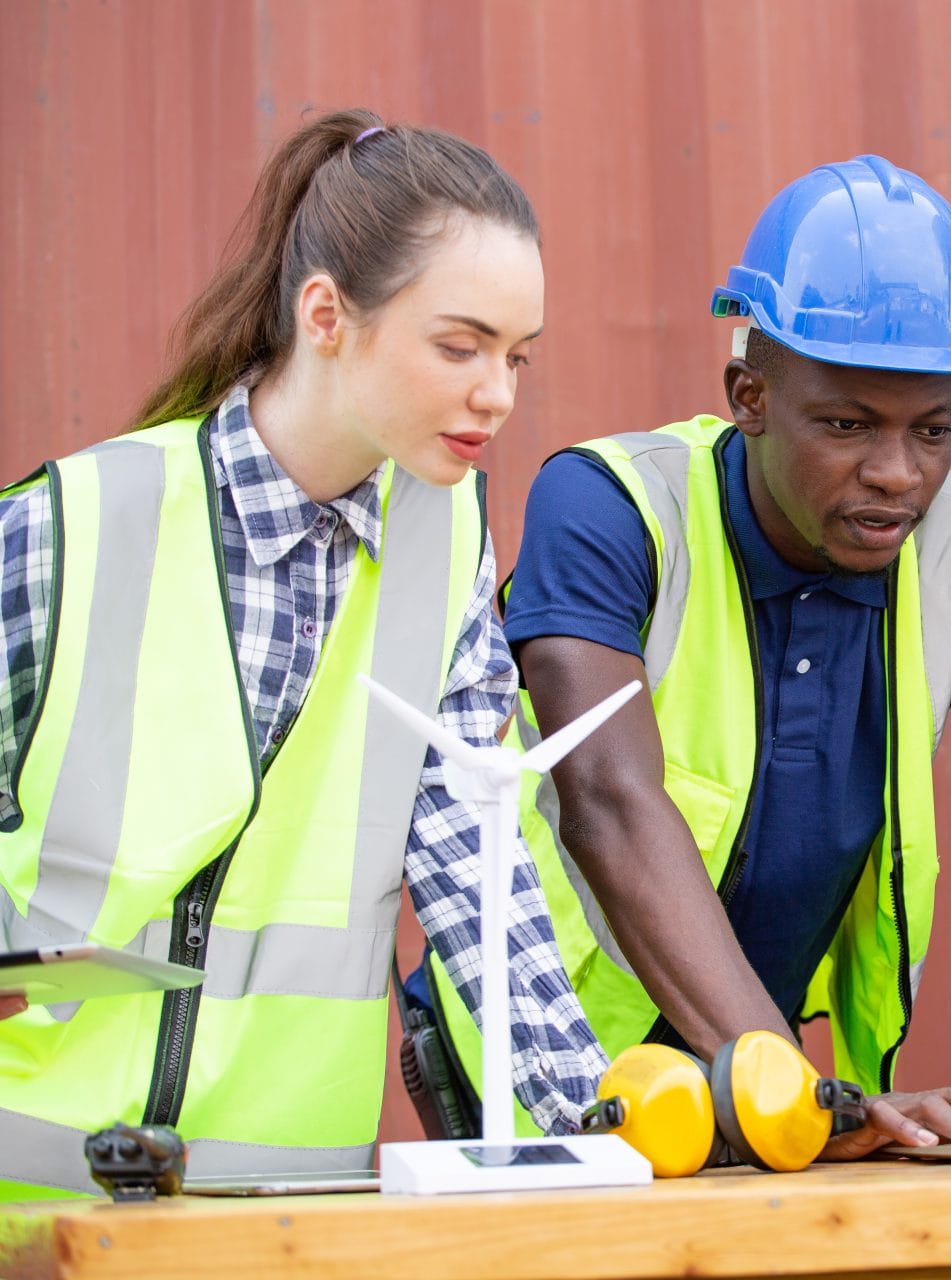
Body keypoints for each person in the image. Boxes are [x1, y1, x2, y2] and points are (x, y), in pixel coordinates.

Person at [424, 154, 951, 1160]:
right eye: (846, 424)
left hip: (770, 1072)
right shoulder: (613, 507)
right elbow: (610, 803)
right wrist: (796, 1097)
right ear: (749, 394)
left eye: (933, 430)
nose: (896, 473)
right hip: (549, 1072)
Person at [0, 109, 608, 1199]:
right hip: (30, 1203)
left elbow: (482, 873)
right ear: (326, 314)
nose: (498, 393)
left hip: (291, 1209)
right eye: (460, 345)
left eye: (517, 356)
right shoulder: (74, 520)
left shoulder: (450, 543)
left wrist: (597, 1122)